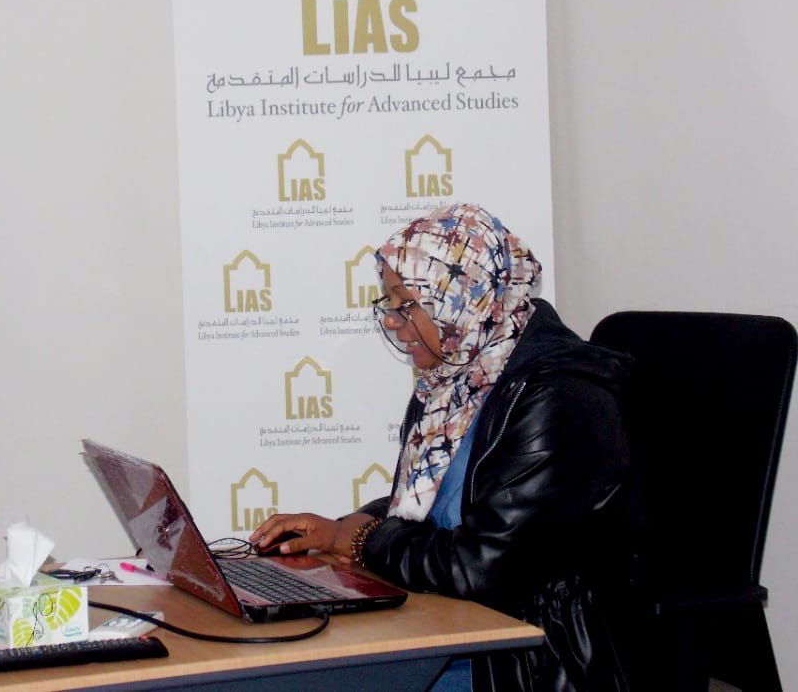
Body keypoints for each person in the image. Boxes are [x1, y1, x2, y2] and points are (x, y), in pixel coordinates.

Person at [251, 203, 634, 691]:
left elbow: (481, 566)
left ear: (461, 297)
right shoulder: (455, 377)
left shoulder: (560, 398)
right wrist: (337, 530)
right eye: (389, 304)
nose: (393, 322)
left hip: (522, 658)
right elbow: (433, 504)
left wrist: (364, 541)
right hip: (452, 620)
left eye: (407, 304)